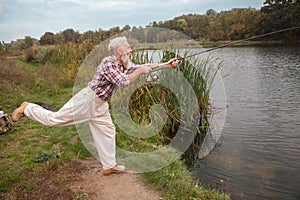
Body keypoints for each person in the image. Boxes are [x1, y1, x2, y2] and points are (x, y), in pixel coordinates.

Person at [12, 36, 179, 175]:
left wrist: (166, 64)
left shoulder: (125, 63)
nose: (131, 50)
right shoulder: (109, 63)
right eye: (128, 48)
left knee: (108, 131)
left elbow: (143, 67)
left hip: (100, 103)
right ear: (119, 51)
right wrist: (140, 72)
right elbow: (124, 81)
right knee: (55, 120)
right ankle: (27, 108)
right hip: (88, 100)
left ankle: (109, 166)